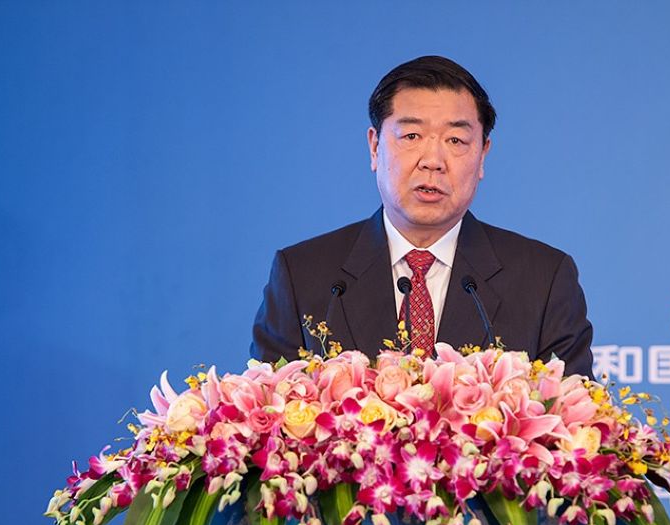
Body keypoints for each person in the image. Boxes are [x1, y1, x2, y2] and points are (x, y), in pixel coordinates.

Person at [250, 55, 594, 377]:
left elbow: (571, 414)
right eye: (411, 136)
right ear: (375, 147)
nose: (433, 160)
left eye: (456, 140)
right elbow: (264, 413)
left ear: (483, 155)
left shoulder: (543, 281)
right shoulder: (302, 276)